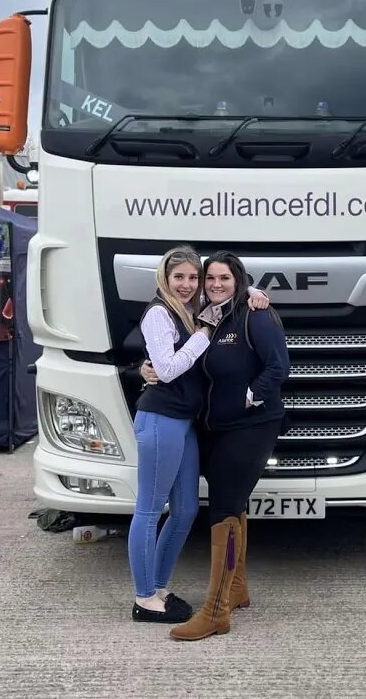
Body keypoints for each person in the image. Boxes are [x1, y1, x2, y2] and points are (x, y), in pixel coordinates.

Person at [128, 246, 269, 624]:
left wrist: (252, 291)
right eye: (180, 278)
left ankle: (160, 587)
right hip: (160, 418)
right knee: (149, 509)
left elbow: (228, 288)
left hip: (184, 422)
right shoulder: (160, 313)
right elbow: (169, 369)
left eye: (194, 277)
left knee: (187, 508)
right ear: (165, 278)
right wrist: (202, 336)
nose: (189, 285)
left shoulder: (191, 310)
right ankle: (145, 598)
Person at [163, 250, 290, 641]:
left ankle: (216, 610)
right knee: (232, 508)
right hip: (215, 428)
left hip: (251, 426)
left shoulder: (256, 315)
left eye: (225, 279)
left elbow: (279, 365)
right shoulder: (207, 317)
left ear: (238, 281)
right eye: (211, 279)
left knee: (224, 511)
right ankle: (236, 589)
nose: (216, 285)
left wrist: (251, 396)